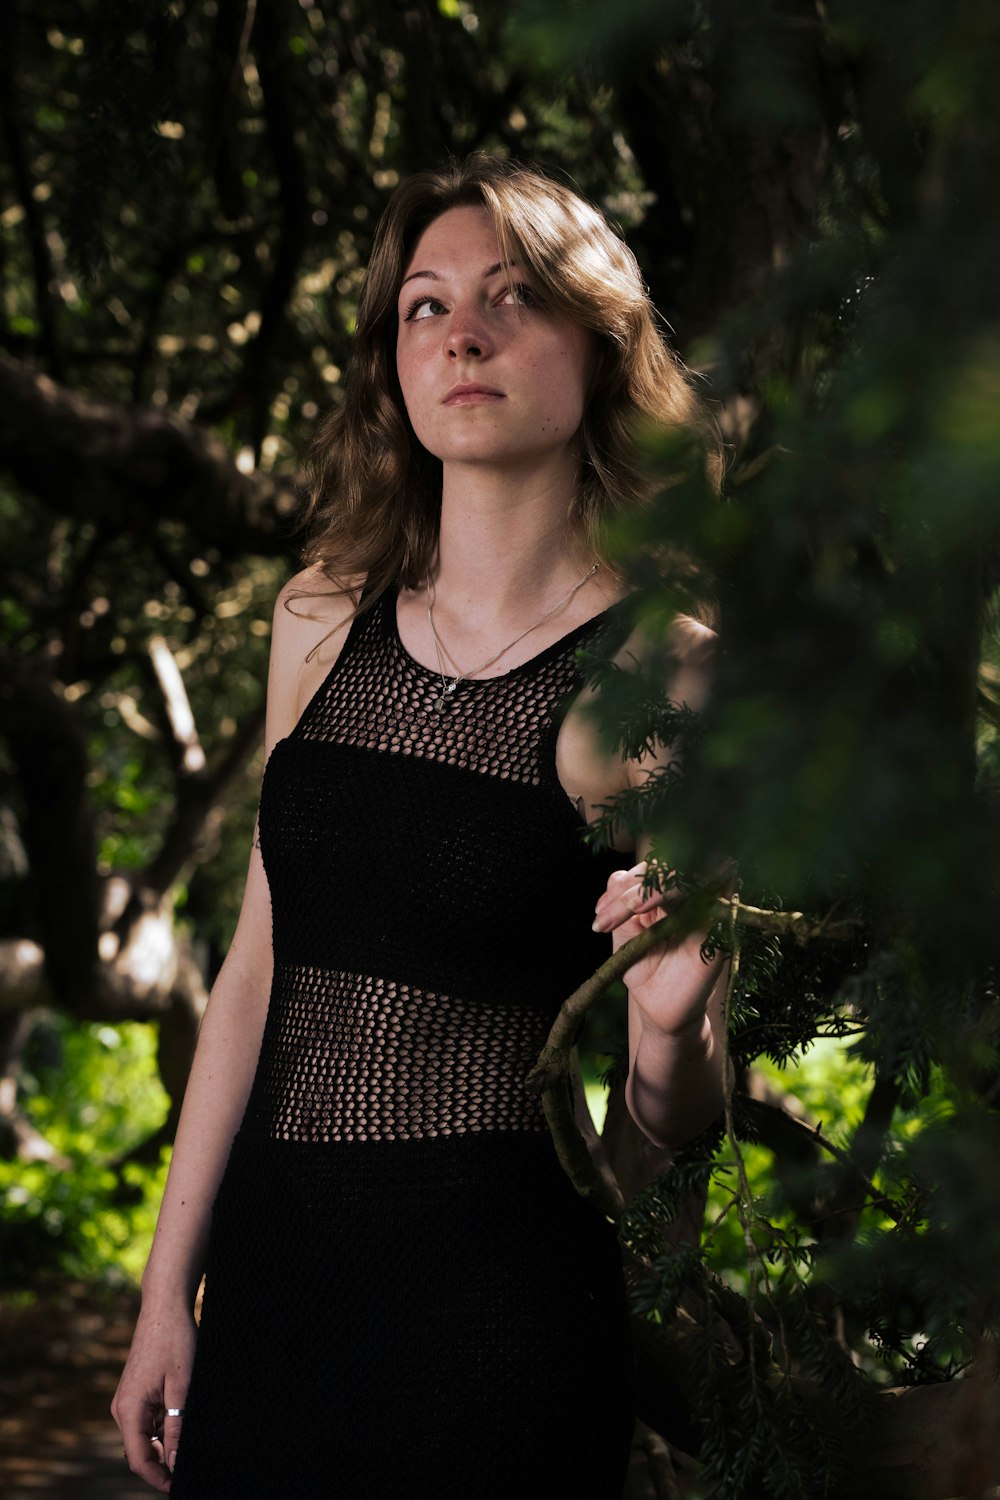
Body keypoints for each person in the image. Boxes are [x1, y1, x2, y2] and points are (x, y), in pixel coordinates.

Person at [112, 153, 729, 1498]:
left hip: (500, 1312)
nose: (464, 335)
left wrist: (670, 1030)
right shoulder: (317, 621)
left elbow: (663, 1136)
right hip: (274, 1285)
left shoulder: (667, 674)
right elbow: (253, 982)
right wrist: (171, 1290)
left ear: (601, 346)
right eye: (426, 306)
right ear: (394, 359)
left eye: (513, 298)